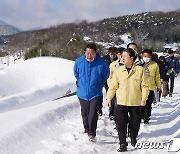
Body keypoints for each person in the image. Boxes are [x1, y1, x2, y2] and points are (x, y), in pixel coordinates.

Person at [107, 48, 149, 152]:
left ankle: (133, 136)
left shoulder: (140, 70)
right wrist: (109, 98)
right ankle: (122, 143)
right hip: (121, 102)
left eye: (125, 56)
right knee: (121, 124)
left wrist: (144, 99)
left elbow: (145, 86)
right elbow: (113, 86)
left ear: (132, 58)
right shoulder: (119, 71)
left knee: (135, 123)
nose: (122, 58)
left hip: (136, 102)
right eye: (122, 56)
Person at [74, 43, 109, 142]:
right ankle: (86, 127)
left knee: (93, 113)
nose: (89, 55)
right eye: (87, 53)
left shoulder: (102, 63)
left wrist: (99, 83)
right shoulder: (79, 62)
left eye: (92, 53)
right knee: (85, 112)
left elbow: (106, 75)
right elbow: (76, 73)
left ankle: (92, 133)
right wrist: (81, 82)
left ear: (95, 53)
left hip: (95, 92)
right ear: (85, 52)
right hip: (82, 92)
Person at [141, 49, 161, 124]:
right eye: (145, 56)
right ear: (142, 55)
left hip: (150, 87)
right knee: (141, 103)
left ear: (151, 56)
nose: (146, 58)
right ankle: (141, 116)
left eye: (148, 56)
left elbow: (157, 76)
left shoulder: (154, 65)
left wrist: (158, 86)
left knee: (148, 104)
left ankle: (146, 118)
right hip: (140, 88)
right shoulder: (138, 64)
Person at [107, 47, 124, 121]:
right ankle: (113, 115)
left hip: (124, 89)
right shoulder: (113, 64)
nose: (120, 56)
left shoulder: (129, 64)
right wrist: (110, 84)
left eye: (122, 54)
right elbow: (110, 76)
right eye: (119, 54)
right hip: (114, 87)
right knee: (114, 103)